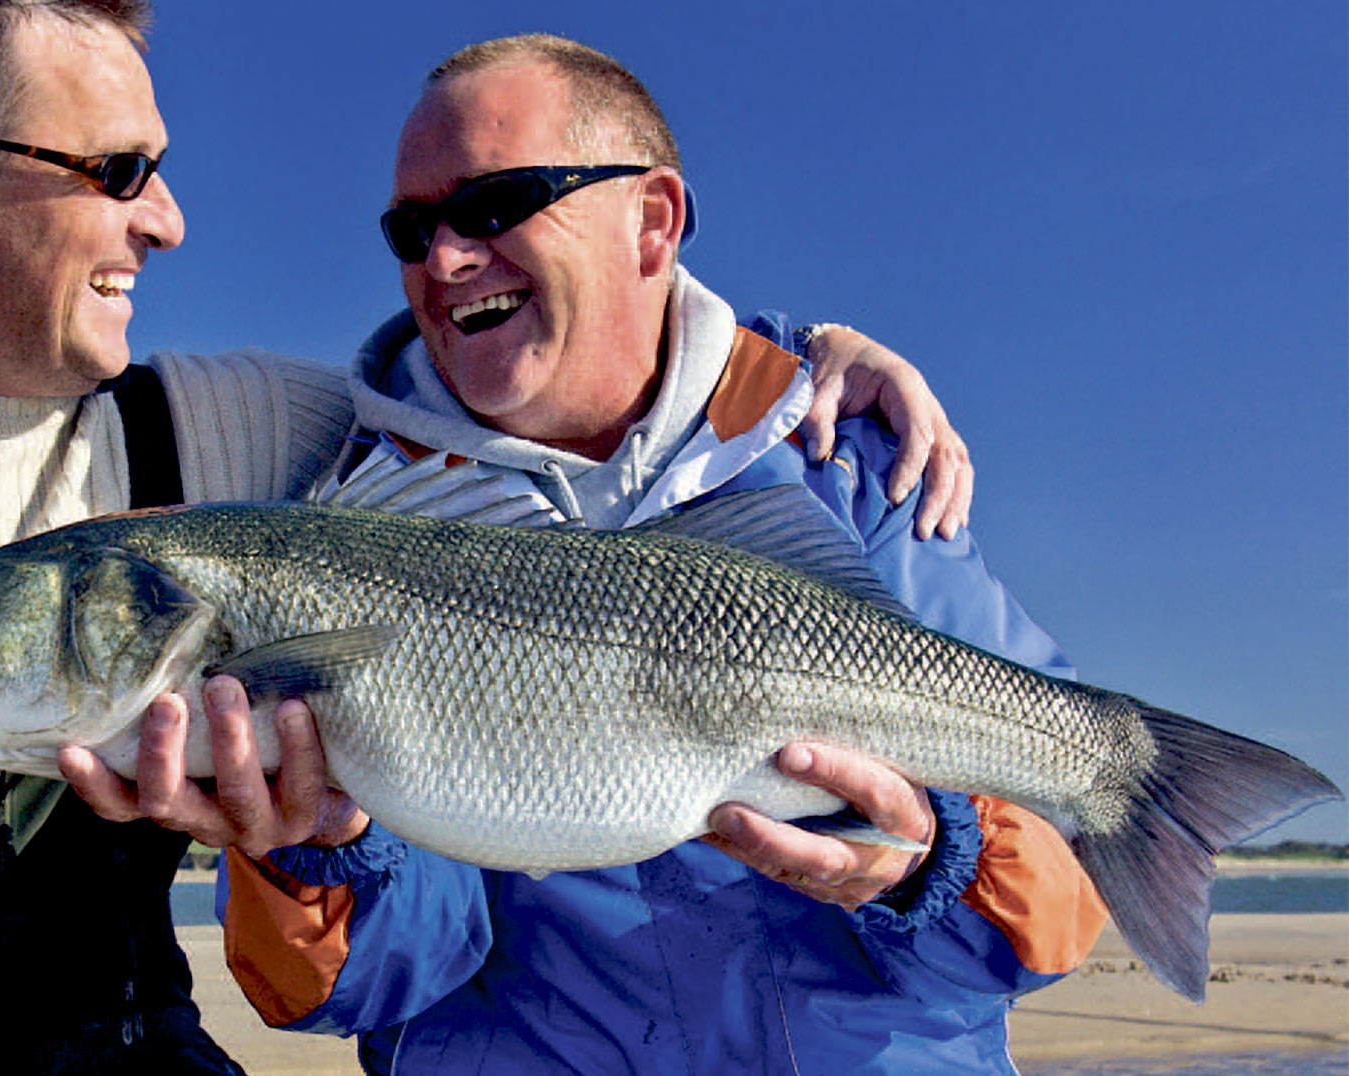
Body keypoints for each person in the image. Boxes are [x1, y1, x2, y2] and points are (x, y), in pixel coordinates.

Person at [0, 6, 965, 1074]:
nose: (167, 219)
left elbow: (555, 371)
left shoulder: (247, 423)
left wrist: (800, 364)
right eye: (115, 170)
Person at [65, 33, 1110, 1076]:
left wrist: (930, 861)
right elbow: (375, 984)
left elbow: (1062, 902)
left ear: (652, 221)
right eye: (409, 226)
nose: (443, 258)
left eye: (492, 204)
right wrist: (316, 848)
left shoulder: (845, 456)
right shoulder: (357, 532)